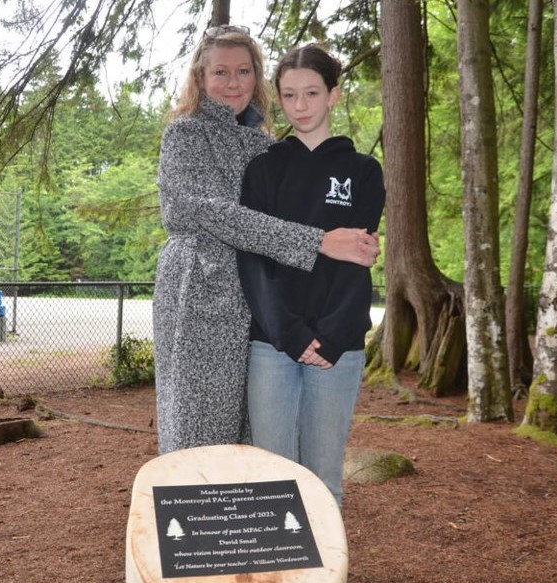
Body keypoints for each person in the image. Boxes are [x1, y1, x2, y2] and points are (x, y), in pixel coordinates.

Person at [153, 26, 379, 455]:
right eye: (220, 72)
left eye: (244, 71)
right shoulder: (184, 134)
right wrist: (317, 241)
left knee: (257, 440)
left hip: (260, 302)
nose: (233, 83)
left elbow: (296, 215)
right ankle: (196, 500)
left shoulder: (263, 145)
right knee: (199, 430)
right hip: (199, 292)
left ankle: (252, 503)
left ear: (257, 78)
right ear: (200, 77)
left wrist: (353, 242)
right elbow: (206, 211)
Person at [237, 44, 386, 507]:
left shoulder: (363, 172)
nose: (300, 106)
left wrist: (333, 335)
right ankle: (278, 559)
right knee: (273, 478)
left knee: (323, 479)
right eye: (289, 95)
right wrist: (290, 333)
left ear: (333, 95)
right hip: (273, 343)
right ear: (278, 98)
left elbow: (356, 260)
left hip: (337, 347)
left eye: (312, 93)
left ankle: (326, 558)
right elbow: (254, 259)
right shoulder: (263, 170)